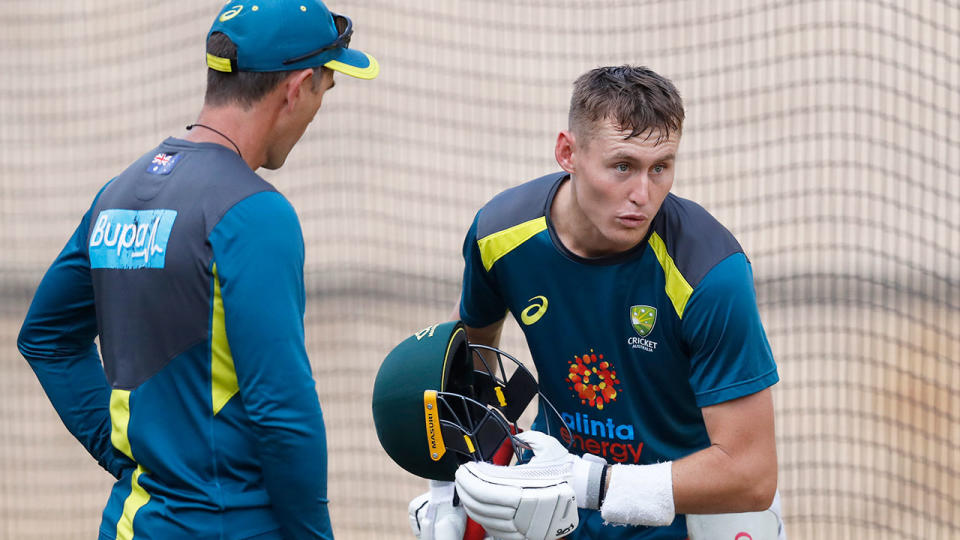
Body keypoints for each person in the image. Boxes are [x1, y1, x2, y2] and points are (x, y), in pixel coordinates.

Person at [16, 1, 377, 538]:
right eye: (326, 88)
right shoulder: (255, 213)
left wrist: (128, 460)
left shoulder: (118, 195)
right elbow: (282, 413)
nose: (316, 107)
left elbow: (47, 338)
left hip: (130, 522)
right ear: (297, 87)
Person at [415, 66, 784, 539]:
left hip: (679, 523)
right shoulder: (499, 235)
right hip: (550, 511)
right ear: (568, 152)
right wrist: (453, 488)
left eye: (661, 168)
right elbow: (473, 361)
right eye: (623, 166)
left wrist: (593, 483)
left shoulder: (710, 274)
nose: (642, 196)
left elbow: (751, 475)